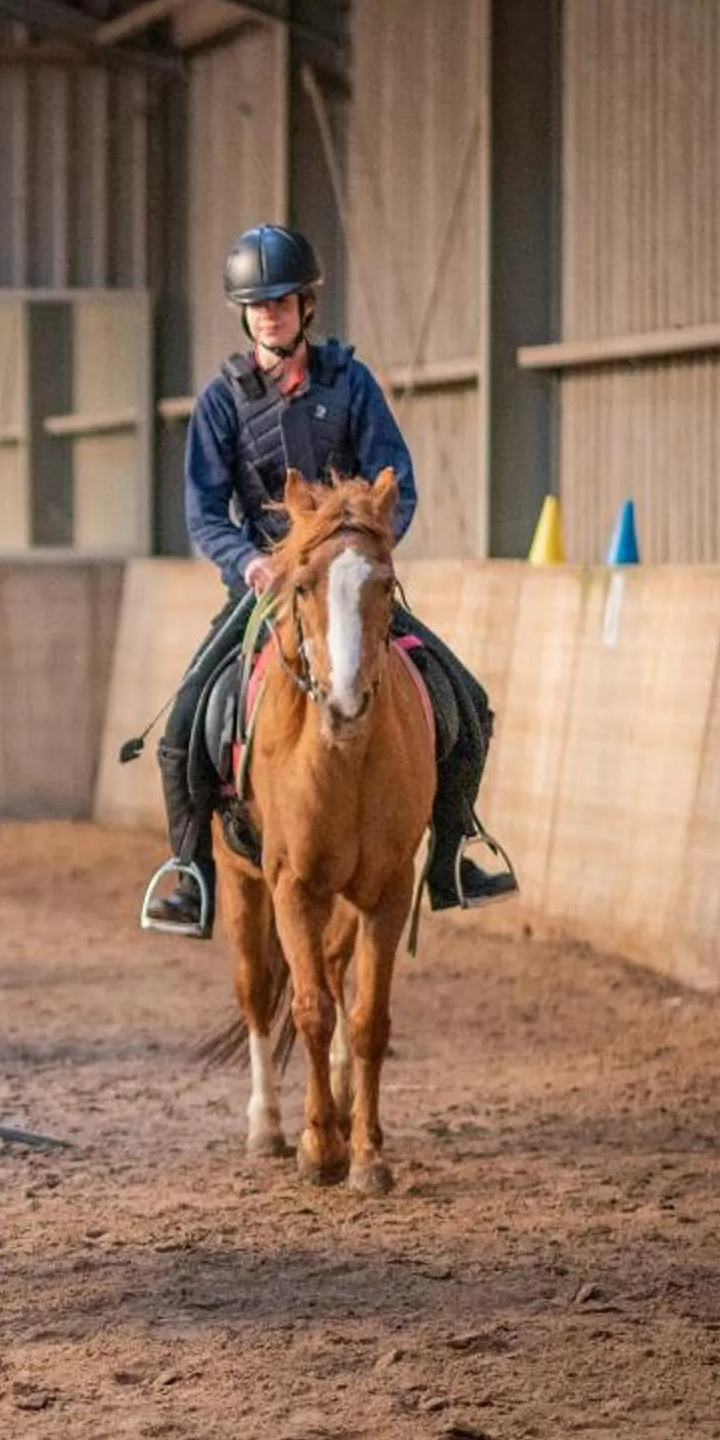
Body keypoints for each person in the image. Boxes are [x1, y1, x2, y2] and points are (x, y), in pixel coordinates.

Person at [141, 222, 517, 937]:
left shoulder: (352, 383)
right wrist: (249, 560)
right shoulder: (223, 400)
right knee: (184, 726)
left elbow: (396, 478)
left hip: (352, 586)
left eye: (280, 302)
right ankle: (190, 873)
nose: (268, 315)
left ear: (305, 306)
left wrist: (367, 555)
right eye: (256, 306)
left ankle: (452, 858)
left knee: (467, 707)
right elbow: (202, 510)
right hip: (266, 590)